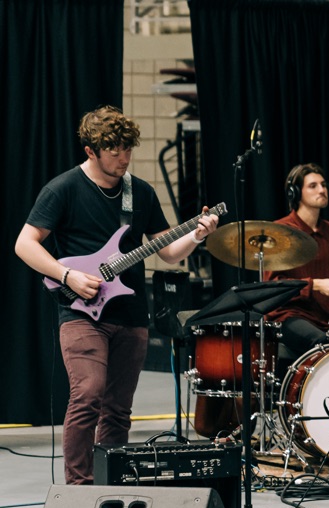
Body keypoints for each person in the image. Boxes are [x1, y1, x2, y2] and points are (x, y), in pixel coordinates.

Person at [14, 105, 219, 485]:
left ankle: (110, 484)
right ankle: (78, 489)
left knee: (119, 409)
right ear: (91, 151)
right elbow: (24, 244)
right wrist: (68, 274)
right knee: (87, 395)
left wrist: (196, 235)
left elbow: (167, 251)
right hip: (80, 312)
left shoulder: (139, 192)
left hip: (130, 313)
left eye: (128, 150)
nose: (123, 158)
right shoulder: (62, 189)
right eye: (114, 151)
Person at [263, 163, 329, 356]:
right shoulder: (281, 230)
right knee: (323, 344)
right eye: (313, 186)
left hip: (325, 317)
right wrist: (314, 285)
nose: (322, 190)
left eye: (323, 185)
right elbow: (273, 287)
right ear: (295, 193)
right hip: (289, 316)